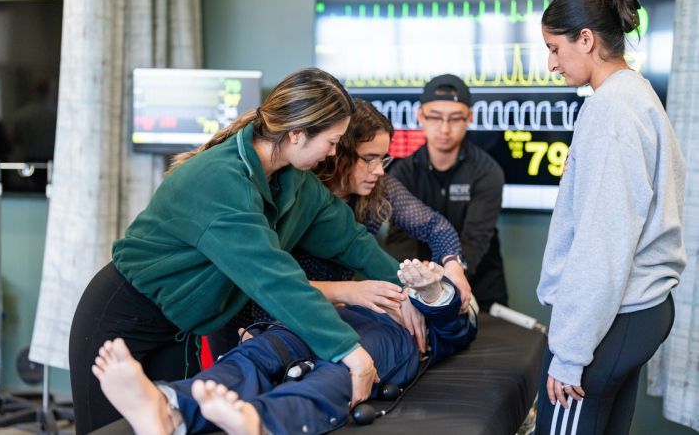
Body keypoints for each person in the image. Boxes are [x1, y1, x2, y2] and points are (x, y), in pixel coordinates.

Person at [68, 68, 424, 433]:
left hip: (178, 325)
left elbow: (351, 241)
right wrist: (352, 353)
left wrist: (409, 290)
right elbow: (273, 279)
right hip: (121, 317)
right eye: (332, 142)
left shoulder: (294, 181)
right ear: (298, 134)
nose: (334, 153)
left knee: (171, 422)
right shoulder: (221, 180)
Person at [207, 100, 473, 358]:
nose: (379, 170)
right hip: (257, 315)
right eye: (369, 159)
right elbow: (265, 279)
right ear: (337, 152)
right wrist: (347, 293)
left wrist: (453, 267)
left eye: (383, 159)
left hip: (321, 315)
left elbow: (435, 226)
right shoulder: (297, 194)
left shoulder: (378, 189)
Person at [535, 0, 686, 434]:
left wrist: (570, 353)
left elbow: (603, 243)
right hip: (639, 310)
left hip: (613, 317)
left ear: (586, 39)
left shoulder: (611, 112)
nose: (551, 64)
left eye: (555, 48)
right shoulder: (636, 95)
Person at [92, 259, 477, 435]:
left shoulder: (431, 315)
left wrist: (433, 290)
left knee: (336, 376)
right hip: (330, 319)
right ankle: (170, 408)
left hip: (388, 340)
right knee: (259, 352)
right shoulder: (372, 278)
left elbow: (455, 328)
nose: (417, 274)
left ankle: (259, 422)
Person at [385, 74, 508, 311]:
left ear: (468, 118)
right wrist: (420, 279)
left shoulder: (488, 172)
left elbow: (475, 240)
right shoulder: (402, 173)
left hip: (478, 285)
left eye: (454, 119)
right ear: (420, 116)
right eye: (434, 117)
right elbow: (400, 240)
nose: (444, 128)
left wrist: (446, 277)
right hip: (418, 286)